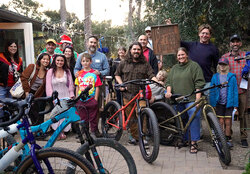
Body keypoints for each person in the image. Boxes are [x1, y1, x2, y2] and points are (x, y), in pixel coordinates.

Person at [115, 41, 158, 144]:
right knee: (132, 118)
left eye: (138, 49)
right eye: (134, 49)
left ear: (141, 51)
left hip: (140, 94)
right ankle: (134, 136)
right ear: (130, 50)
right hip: (127, 94)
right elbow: (117, 74)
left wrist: (157, 81)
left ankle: (142, 136)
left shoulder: (145, 63)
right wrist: (121, 84)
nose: (136, 51)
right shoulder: (124, 62)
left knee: (142, 113)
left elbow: (151, 74)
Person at [165, 47, 205, 153]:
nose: (181, 57)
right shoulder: (174, 68)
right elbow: (168, 82)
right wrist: (168, 92)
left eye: (182, 54)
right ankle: (185, 139)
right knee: (182, 120)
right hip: (177, 99)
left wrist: (197, 99)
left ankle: (194, 142)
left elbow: (199, 83)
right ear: (176, 57)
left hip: (191, 98)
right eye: (179, 55)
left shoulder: (194, 66)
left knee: (194, 115)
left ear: (186, 55)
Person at [221, 34, 248, 148]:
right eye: (233, 42)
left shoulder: (246, 56)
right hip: (229, 91)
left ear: (240, 43)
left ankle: (243, 137)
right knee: (229, 114)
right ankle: (228, 135)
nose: (235, 44)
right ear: (230, 44)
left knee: (243, 114)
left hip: (242, 90)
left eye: (237, 41)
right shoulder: (225, 57)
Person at [209, 58, 238, 148]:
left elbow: (235, 92)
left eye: (224, 64)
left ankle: (228, 138)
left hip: (229, 103)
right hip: (219, 103)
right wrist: (213, 104)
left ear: (227, 66)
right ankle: (220, 139)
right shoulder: (215, 77)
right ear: (218, 65)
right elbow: (212, 91)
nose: (222, 66)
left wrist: (235, 106)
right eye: (221, 64)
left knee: (228, 121)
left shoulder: (231, 77)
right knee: (220, 121)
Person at [46, 54, 75, 140]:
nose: (60, 62)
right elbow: (48, 85)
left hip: (66, 95)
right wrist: (51, 97)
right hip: (55, 96)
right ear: (55, 61)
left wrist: (71, 95)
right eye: (58, 60)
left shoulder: (67, 71)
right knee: (56, 114)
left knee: (65, 114)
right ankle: (57, 132)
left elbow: (70, 84)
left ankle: (62, 131)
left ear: (64, 62)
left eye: (62, 61)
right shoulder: (50, 71)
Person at [75, 53, 102, 138]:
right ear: (81, 62)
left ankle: (93, 132)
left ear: (91, 62)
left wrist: (96, 99)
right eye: (83, 61)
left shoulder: (94, 74)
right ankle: (84, 133)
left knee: (93, 117)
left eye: (87, 61)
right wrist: (76, 98)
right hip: (81, 100)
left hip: (91, 99)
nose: (85, 63)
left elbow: (97, 87)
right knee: (83, 118)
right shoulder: (79, 74)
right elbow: (77, 86)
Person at [21, 53, 50, 125]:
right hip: (29, 92)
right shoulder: (32, 67)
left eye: (48, 59)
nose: (46, 61)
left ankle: (40, 130)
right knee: (31, 113)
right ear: (40, 60)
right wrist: (27, 91)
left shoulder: (47, 72)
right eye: (44, 59)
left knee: (40, 113)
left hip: (39, 94)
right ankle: (33, 129)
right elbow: (23, 78)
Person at [0, 40, 23, 121]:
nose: (13, 48)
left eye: (15, 46)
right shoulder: (1, 56)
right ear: (7, 47)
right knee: (1, 106)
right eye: (11, 46)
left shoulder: (19, 59)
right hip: (2, 86)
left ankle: (11, 125)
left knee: (12, 107)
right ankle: (1, 126)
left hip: (14, 88)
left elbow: (21, 73)